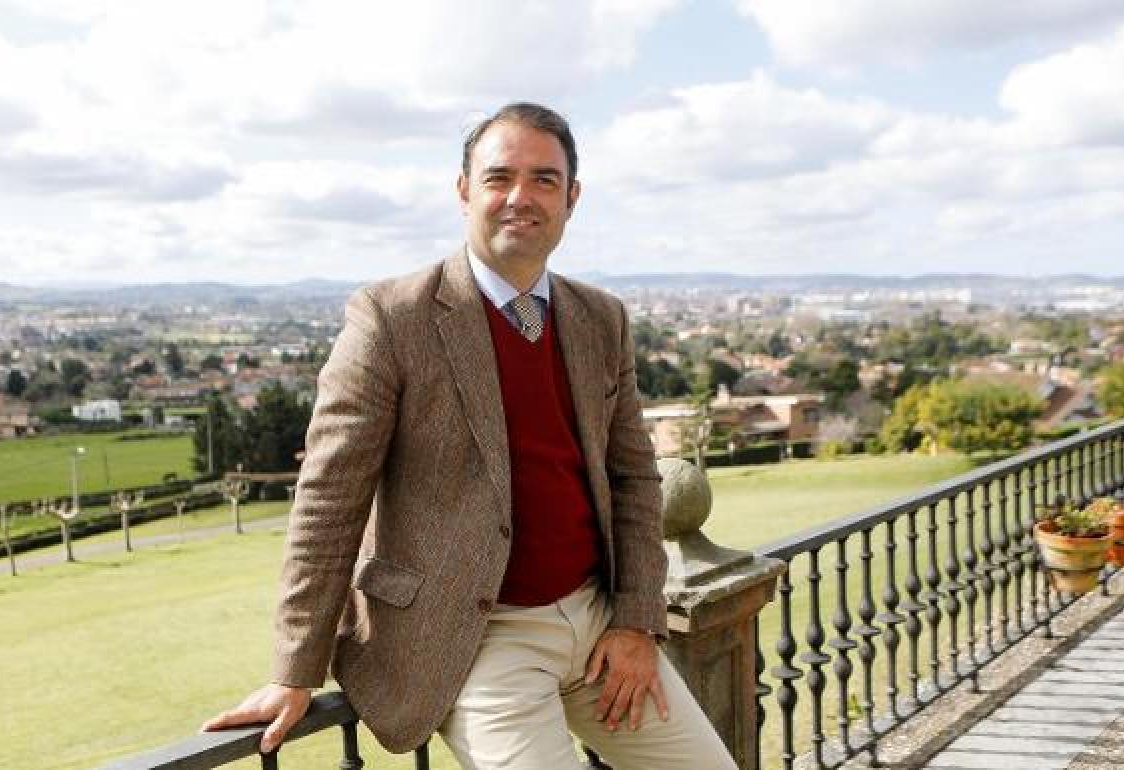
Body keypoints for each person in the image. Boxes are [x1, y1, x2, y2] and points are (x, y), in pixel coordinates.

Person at [204, 102, 737, 770]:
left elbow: (633, 478)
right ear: (464, 191)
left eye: (544, 179)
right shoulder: (391, 318)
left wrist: (635, 620)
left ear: (571, 198)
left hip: (599, 624)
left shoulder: (602, 318)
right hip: (479, 641)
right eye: (499, 177)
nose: (521, 196)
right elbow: (328, 499)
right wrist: (294, 669)